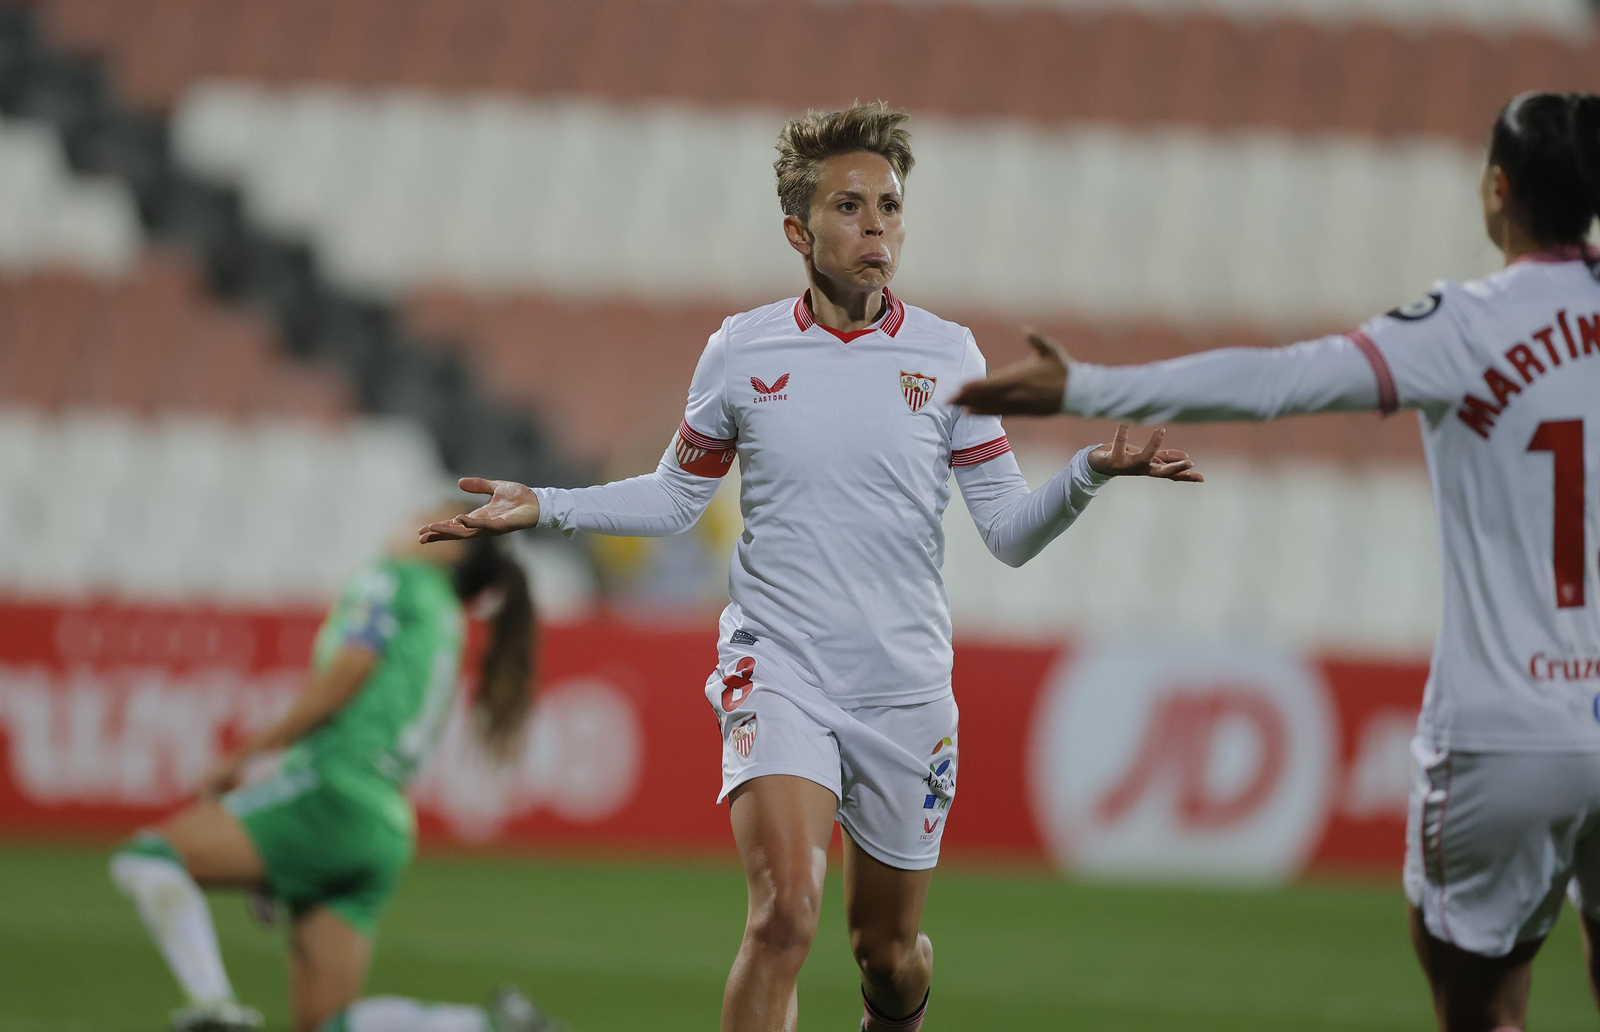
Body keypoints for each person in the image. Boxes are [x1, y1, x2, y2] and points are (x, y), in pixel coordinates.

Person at [419, 101, 1201, 1032]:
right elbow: (677, 498)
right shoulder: (742, 351)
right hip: (779, 664)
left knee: (889, 953)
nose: (877, 224)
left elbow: (1006, 531)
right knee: (784, 916)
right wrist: (545, 504)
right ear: (798, 228)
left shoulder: (951, 356)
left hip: (905, 686)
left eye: (891, 205)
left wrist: (1085, 475)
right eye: (850, 206)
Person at [952, 90, 1600, 1032]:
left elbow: (1278, 381)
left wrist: (1086, 384)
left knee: (1480, 1000)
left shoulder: (1465, 325)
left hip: (1506, 729)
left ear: (1497, 190)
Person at [109, 514, 561, 1032]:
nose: (412, 521)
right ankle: (485, 1027)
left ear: (452, 549)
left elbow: (348, 671)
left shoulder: (397, 577)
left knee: (149, 860)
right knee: (328, 1026)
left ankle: (214, 1010)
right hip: (383, 824)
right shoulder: (447, 618)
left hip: (334, 792)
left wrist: (242, 757)